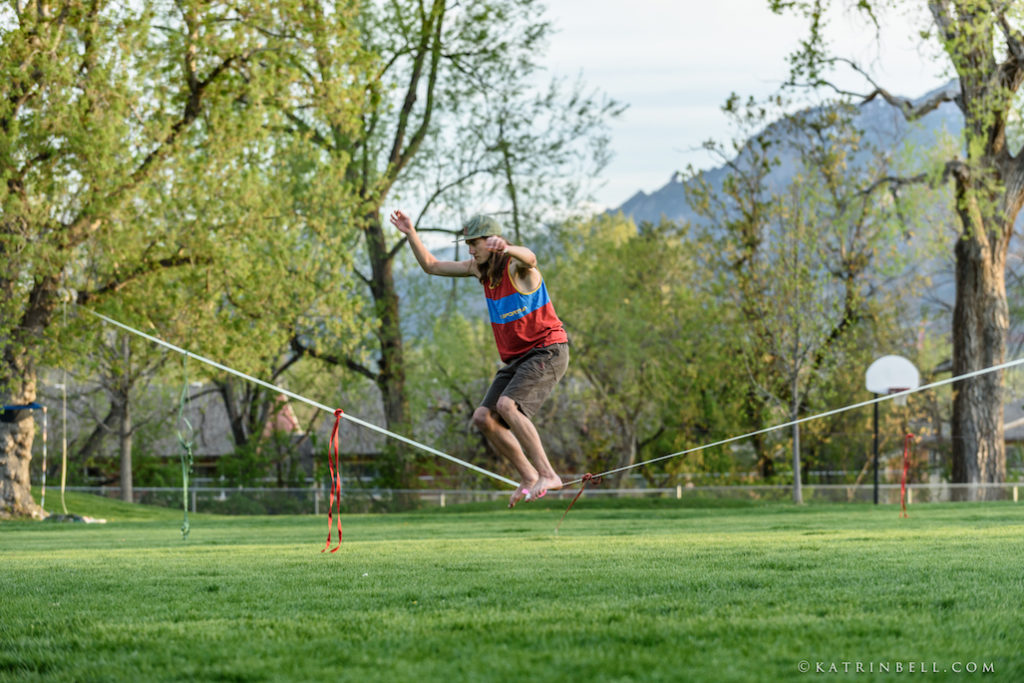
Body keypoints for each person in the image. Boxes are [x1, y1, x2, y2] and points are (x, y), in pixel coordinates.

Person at [389, 209, 569, 508]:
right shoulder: (479, 270)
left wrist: (508, 248)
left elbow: (532, 258)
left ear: (492, 241)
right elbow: (432, 266)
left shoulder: (517, 268)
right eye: (468, 243)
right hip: (518, 360)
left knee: (507, 406)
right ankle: (527, 476)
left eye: (475, 243)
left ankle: (549, 474)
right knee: (484, 417)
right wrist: (411, 234)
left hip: (547, 350)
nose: (470, 249)